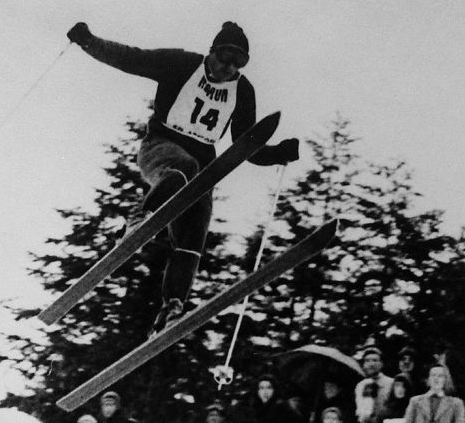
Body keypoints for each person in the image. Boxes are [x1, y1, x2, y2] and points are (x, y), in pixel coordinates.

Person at [66, 21, 300, 334]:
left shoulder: (242, 91)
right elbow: (132, 58)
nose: (228, 68)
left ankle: (172, 306)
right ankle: (140, 215)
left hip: (204, 168)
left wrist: (277, 153)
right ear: (211, 52)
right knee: (183, 169)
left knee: (195, 231)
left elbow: (246, 145)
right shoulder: (181, 64)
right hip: (160, 148)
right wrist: (89, 42)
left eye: (238, 63)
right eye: (224, 58)